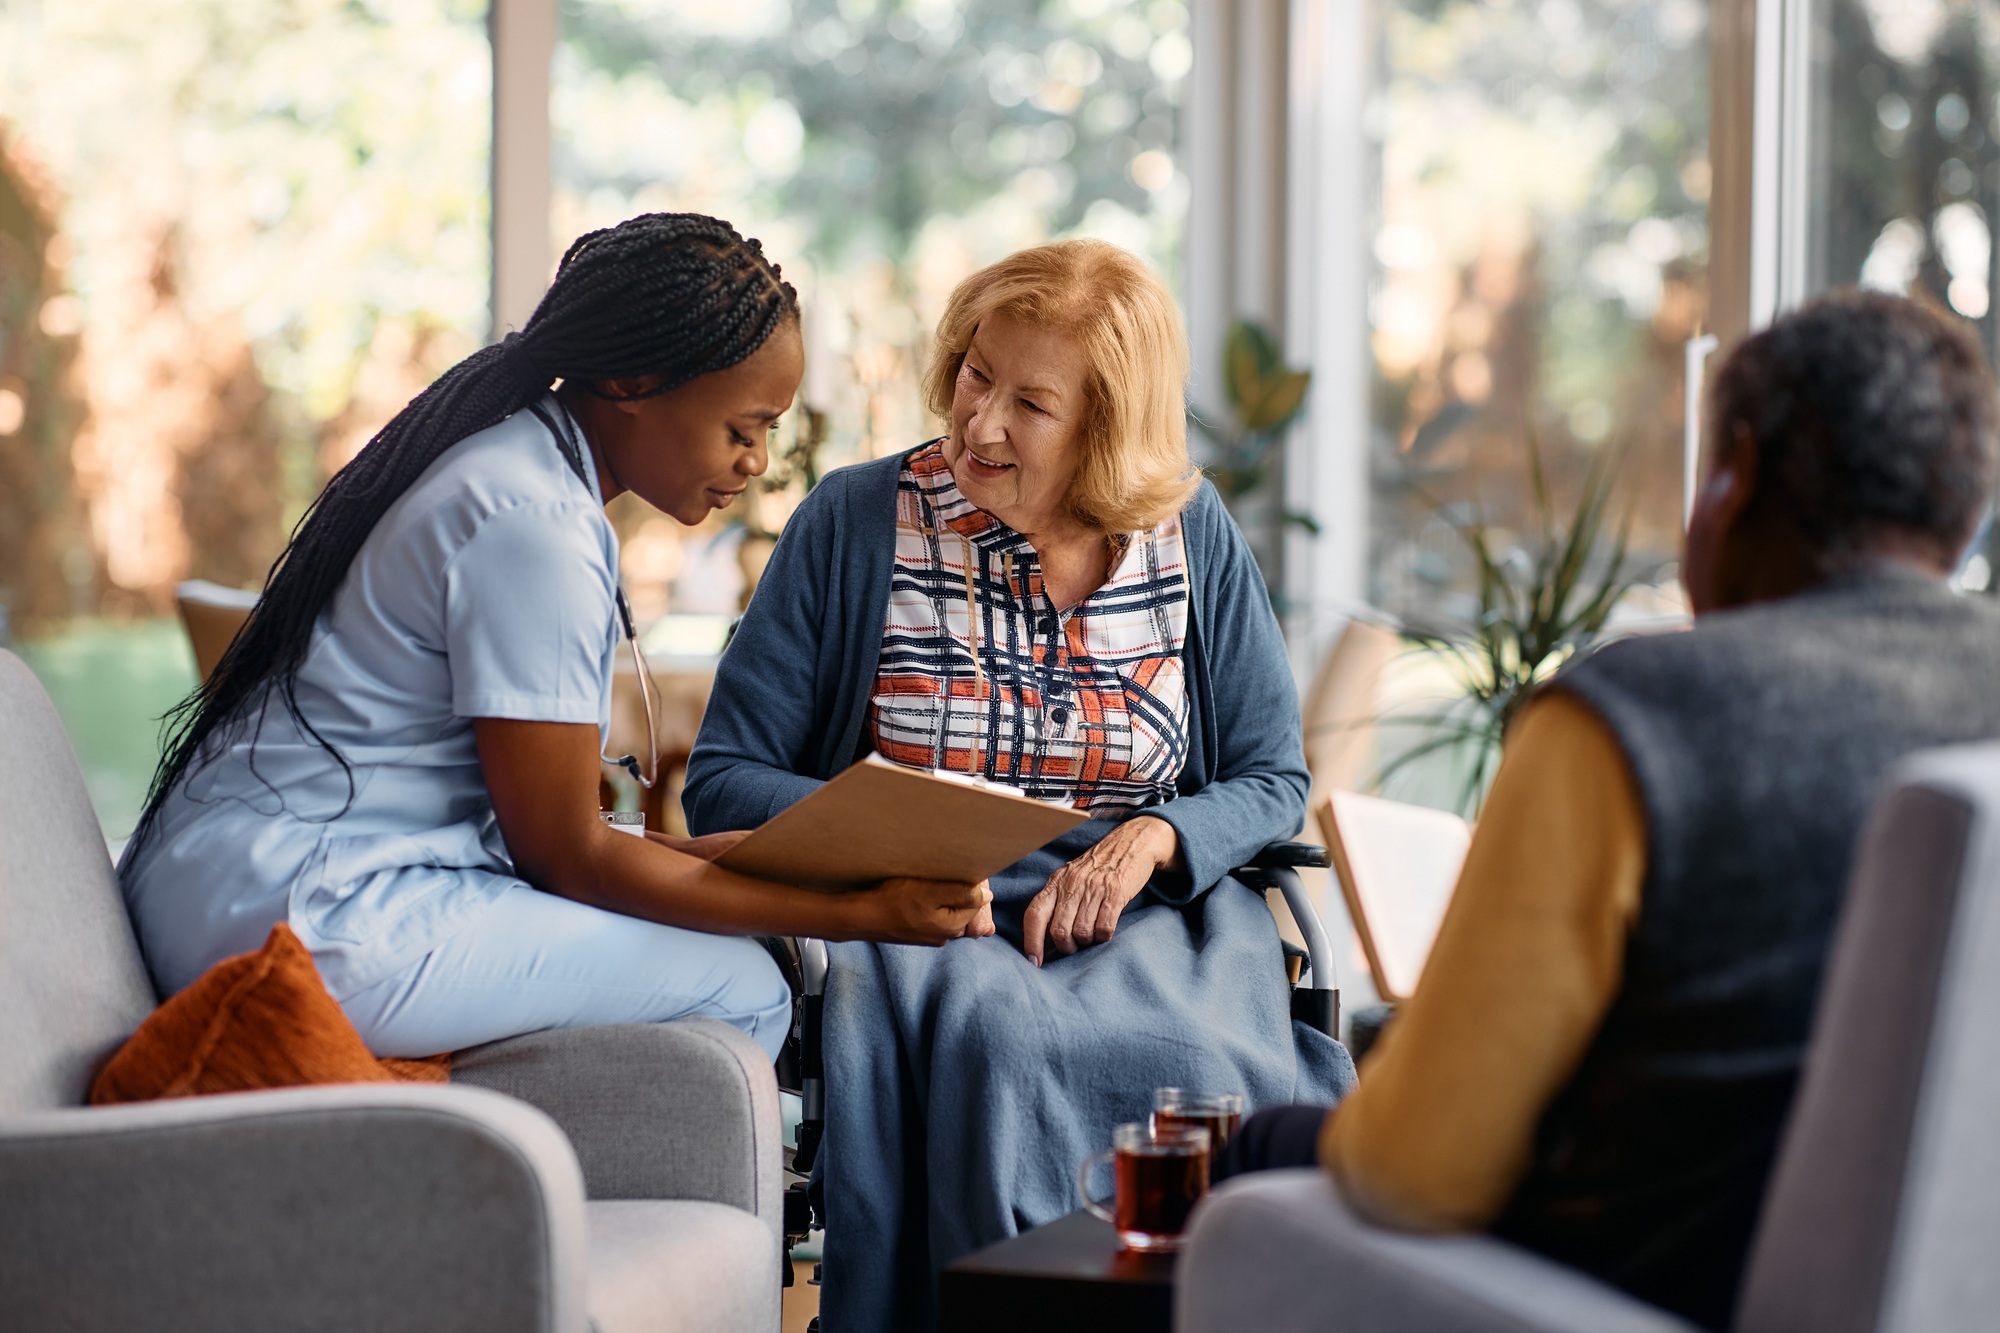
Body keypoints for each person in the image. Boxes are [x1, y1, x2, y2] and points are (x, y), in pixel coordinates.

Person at [1214, 290, 2000, 1329]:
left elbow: (1415, 1171)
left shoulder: (1641, 715)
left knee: (1257, 1152)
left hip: (1634, 1282)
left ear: (1736, 475)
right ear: (1960, 504)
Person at [121, 213, 991, 1062]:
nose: (758, 461)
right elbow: (568, 858)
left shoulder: (514, 464)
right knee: (744, 987)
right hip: (303, 919)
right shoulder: (535, 522)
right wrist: (860, 915)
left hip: (237, 885)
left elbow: (551, 835)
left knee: (731, 940)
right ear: (632, 385)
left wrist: (729, 862)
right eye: (743, 428)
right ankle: (506, 1191)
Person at [684, 238, 1356, 1330]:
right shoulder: (857, 523)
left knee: (1198, 1072)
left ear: (1105, 425)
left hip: (1147, 914)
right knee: (1002, 1054)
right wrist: (891, 829)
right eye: (974, 373)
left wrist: (1155, 839)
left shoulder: (1191, 534)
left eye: (1030, 404)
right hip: (927, 914)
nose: (980, 422)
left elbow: (1271, 775)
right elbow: (721, 783)